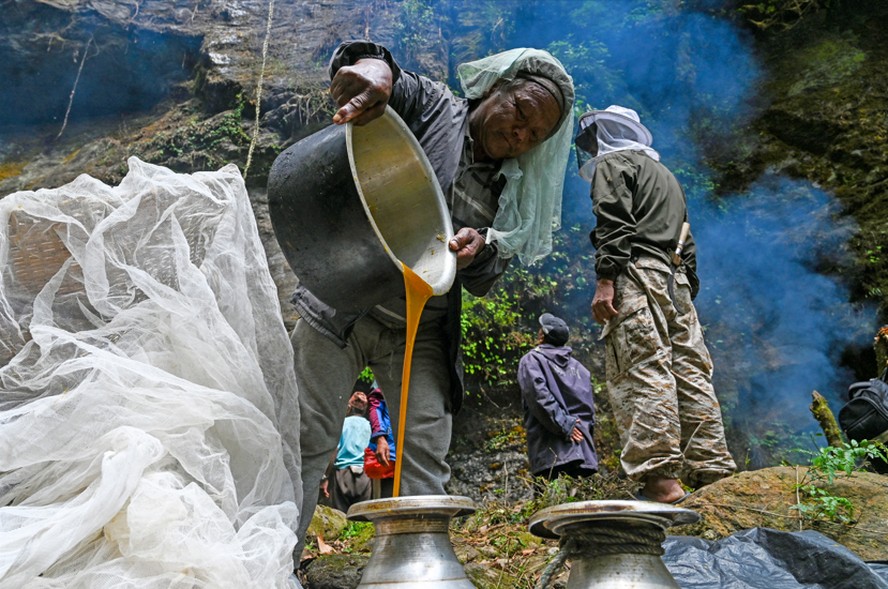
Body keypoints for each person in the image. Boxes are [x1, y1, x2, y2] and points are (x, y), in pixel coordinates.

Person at [290, 41, 575, 554]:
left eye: (535, 135)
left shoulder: (512, 188)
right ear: (496, 88)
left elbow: (487, 277)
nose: (519, 134)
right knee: (307, 441)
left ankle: (414, 571)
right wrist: (372, 70)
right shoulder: (435, 108)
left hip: (421, 330)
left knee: (424, 451)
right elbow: (384, 75)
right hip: (343, 304)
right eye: (521, 113)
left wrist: (482, 245)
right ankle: (273, 566)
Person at [576, 105, 736, 504]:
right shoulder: (666, 175)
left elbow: (614, 221)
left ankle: (661, 482)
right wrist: (684, 288)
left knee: (642, 369)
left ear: (606, 133)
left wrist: (606, 278)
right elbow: (688, 238)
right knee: (691, 370)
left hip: (637, 273)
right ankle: (713, 472)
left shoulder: (612, 164)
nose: (591, 146)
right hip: (676, 278)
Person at [517, 313, 599, 480]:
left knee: (548, 502)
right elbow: (588, 410)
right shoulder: (580, 369)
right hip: (582, 450)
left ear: (542, 335)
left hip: (551, 451)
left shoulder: (532, 360)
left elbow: (540, 397)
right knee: (577, 504)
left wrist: (565, 425)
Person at [321, 391, 372, 513]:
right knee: (363, 517)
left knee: (341, 516)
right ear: (365, 409)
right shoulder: (370, 426)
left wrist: (326, 477)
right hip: (365, 476)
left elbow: (334, 451)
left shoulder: (342, 424)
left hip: (342, 475)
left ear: (349, 406)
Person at [364, 383, 396, 498]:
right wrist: (380, 438)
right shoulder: (389, 376)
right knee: (384, 501)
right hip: (389, 455)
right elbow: (375, 404)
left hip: (409, 455)